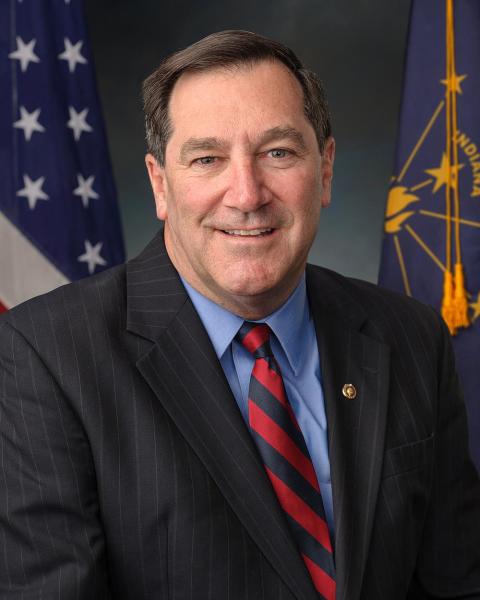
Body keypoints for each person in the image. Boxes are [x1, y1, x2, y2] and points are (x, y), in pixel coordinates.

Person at [1, 30, 479, 600]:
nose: (247, 194)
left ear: (324, 169)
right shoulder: (46, 356)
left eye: (278, 152)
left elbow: (457, 584)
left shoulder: (410, 336)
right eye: (207, 158)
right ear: (160, 184)